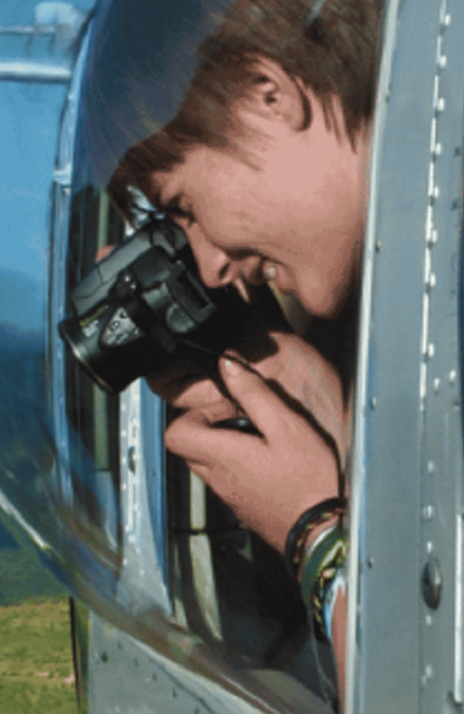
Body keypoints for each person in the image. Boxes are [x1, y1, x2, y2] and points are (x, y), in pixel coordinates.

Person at [107, 0, 382, 664]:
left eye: (184, 207)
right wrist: (336, 420)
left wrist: (313, 529)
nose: (208, 266)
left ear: (269, 96)